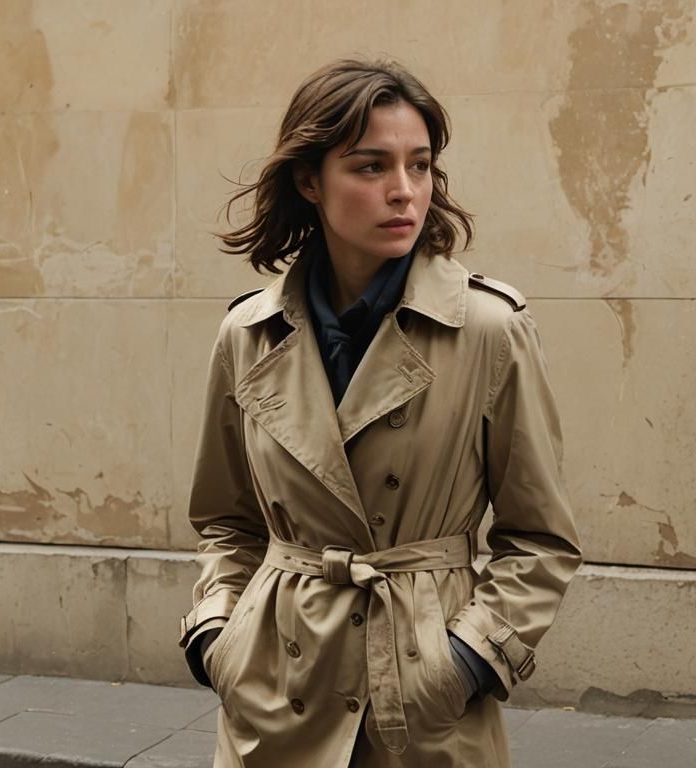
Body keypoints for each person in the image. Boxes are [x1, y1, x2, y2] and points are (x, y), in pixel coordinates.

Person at [178, 58, 583, 767]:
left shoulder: (488, 330)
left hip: (420, 704)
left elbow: (540, 540)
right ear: (311, 181)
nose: (404, 192)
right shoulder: (247, 334)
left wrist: (460, 665)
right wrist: (221, 639)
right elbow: (225, 519)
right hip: (277, 694)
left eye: (420, 166)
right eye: (371, 167)